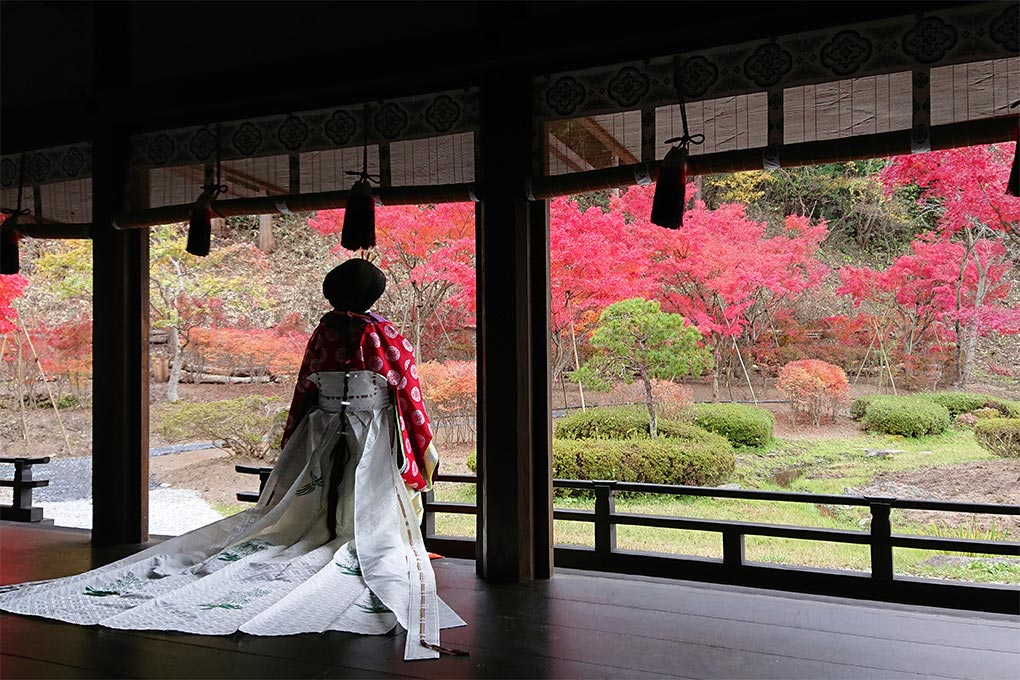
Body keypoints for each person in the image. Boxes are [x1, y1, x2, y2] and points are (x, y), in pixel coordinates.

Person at [0, 258, 464, 661]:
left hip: (322, 427)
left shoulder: (325, 330)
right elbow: (407, 390)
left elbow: (306, 384)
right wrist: (421, 441)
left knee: (315, 496)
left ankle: (325, 534)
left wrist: (297, 432)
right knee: (368, 497)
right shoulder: (384, 333)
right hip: (373, 427)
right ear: (374, 294)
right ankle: (358, 538)